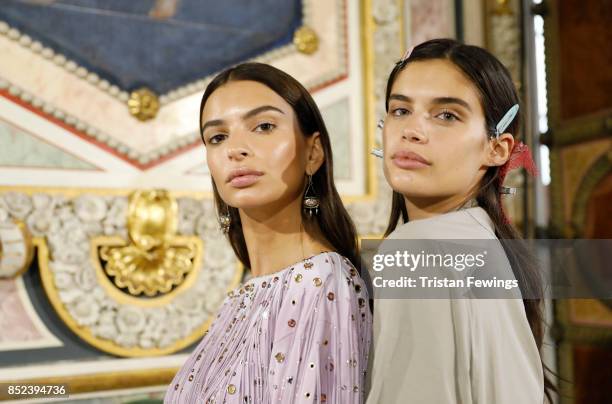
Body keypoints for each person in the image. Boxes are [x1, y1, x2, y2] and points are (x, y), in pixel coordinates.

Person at [165, 62, 372, 404]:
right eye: (217, 137)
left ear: (313, 152)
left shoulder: (319, 281)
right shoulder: (241, 297)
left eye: (263, 126)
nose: (236, 149)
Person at [366, 39, 553, 403]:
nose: (412, 131)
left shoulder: (416, 249)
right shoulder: (487, 246)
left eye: (447, 115)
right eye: (400, 110)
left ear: (496, 148)